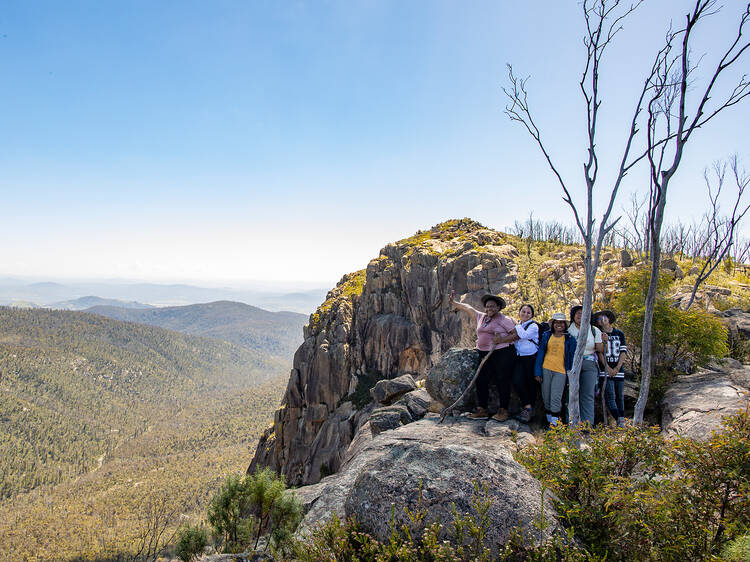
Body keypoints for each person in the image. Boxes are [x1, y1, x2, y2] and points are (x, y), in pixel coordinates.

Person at [449, 290, 516, 421]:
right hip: (484, 353)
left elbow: (515, 335)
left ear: (498, 307)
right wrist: (454, 302)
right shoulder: (482, 317)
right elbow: (468, 308)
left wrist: (501, 340)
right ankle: (482, 409)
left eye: (492, 306)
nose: (489, 308)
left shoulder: (504, 320)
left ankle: (503, 411)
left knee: (502, 380)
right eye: (487, 306)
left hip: (501, 353)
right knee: (481, 380)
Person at [534, 312, 576, 428]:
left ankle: (554, 425)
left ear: (565, 325)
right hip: (546, 369)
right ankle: (549, 422)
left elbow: (573, 358)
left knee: (555, 398)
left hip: (561, 372)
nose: (559, 325)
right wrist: (538, 372)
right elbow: (541, 353)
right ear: (553, 324)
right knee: (546, 397)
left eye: (561, 322)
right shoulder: (547, 335)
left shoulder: (570, 339)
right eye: (556, 322)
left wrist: (572, 374)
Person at [568, 305, 604, 428]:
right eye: (577, 313)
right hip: (571, 364)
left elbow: (600, 349)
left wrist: (604, 340)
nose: (580, 315)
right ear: (573, 315)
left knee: (587, 395)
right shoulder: (568, 329)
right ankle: (572, 423)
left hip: (589, 363)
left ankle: (587, 425)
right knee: (571, 394)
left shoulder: (594, 330)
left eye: (583, 313)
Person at [503, 304, 539, 423]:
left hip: (530, 358)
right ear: (519, 312)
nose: (525, 314)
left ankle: (529, 411)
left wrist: (516, 326)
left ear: (532, 315)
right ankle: (527, 406)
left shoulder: (533, 326)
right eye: (523, 311)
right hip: (519, 358)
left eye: (528, 312)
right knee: (517, 381)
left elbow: (525, 335)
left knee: (530, 383)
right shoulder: (519, 325)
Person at [594, 310, 628, 427]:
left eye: (604, 317)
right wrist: (607, 367)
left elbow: (623, 352)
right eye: (599, 319)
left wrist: (617, 368)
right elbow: (599, 353)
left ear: (608, 318)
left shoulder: (619, 334)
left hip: (618, 369)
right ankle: (619, 420)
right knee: (610, 396)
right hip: (605, 370)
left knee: (620, 396)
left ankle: (622, 419)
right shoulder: (599, 334)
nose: (602, 320)